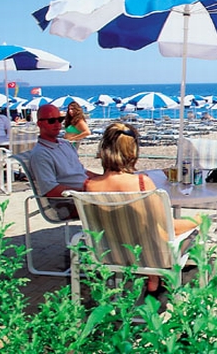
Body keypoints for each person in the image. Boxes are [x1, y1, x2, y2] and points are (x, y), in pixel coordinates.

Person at [84, 122, 201, 294]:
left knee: (137, 228)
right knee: (193, 231)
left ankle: (153, 279)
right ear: (132, 151)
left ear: (104, 149)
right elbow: (169, 227)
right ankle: (161, 281)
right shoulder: (141, 183)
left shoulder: (90, 185)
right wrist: (199, 220)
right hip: (151, 255)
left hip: (109, 252)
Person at [30, 104, 99, 218]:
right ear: (39, 124)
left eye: (60, 119)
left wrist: (103, 178)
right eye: (51, 121)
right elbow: (51, 190)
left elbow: (82, 171)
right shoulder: (41, 154)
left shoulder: (65, 144)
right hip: (69, 203)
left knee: (123, 188)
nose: (57, 124)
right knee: (121, 201)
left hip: (85, 194)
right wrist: (85, 192)